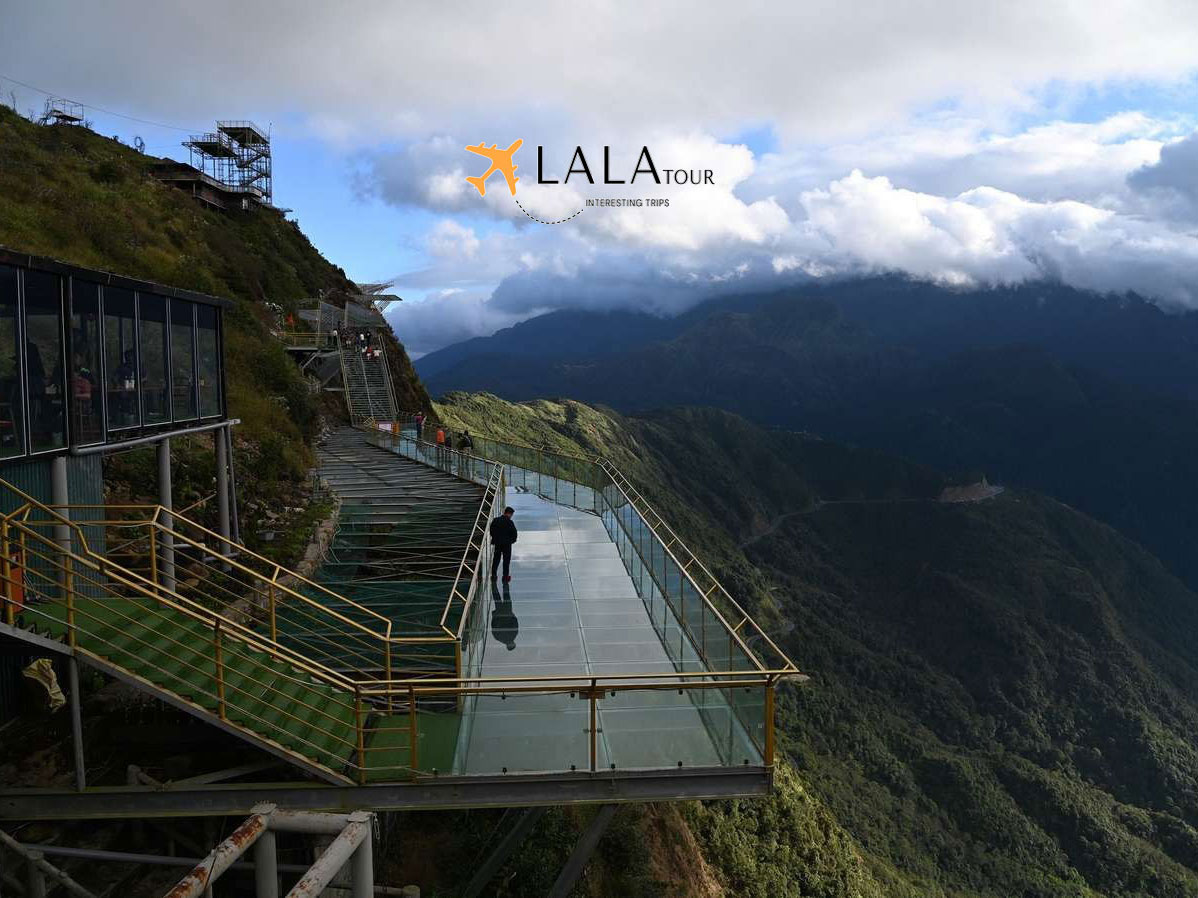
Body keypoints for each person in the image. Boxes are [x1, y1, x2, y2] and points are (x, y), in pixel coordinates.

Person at [489, 506, 517, 582]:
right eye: (511, 515)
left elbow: (491, 530)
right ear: (509, 514)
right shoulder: (510, 522)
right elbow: (514, 533)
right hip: (507, 544)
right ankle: (505, 576)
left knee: (496, 559)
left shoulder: (496, 520)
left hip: (498, 543)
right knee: (506, 561)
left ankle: (494, 575)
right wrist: (512, 541)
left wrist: (495, 538)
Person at [490, 579, 518, 651]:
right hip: (499, 614)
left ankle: (505, 582)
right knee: (497, 597)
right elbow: (493, 627)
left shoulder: (514, 634)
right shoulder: (499, 638)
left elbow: (515, 622)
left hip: (507, 612)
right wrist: (494, 617)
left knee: (506, 595)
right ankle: (493, 583)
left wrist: (512, 615)